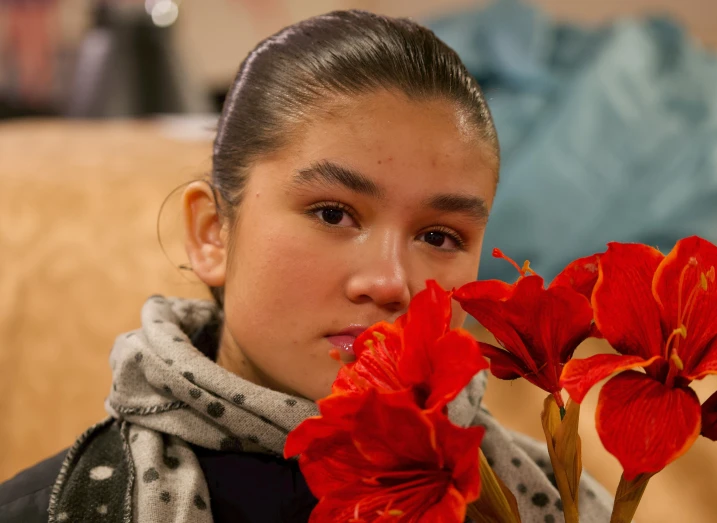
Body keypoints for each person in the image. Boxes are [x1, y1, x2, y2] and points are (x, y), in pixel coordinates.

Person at [0, 10, 612, 523]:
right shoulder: (43, 509)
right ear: (213, 233)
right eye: (332, 214)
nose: (389, 281)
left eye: (438, 235)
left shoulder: (557, 502)